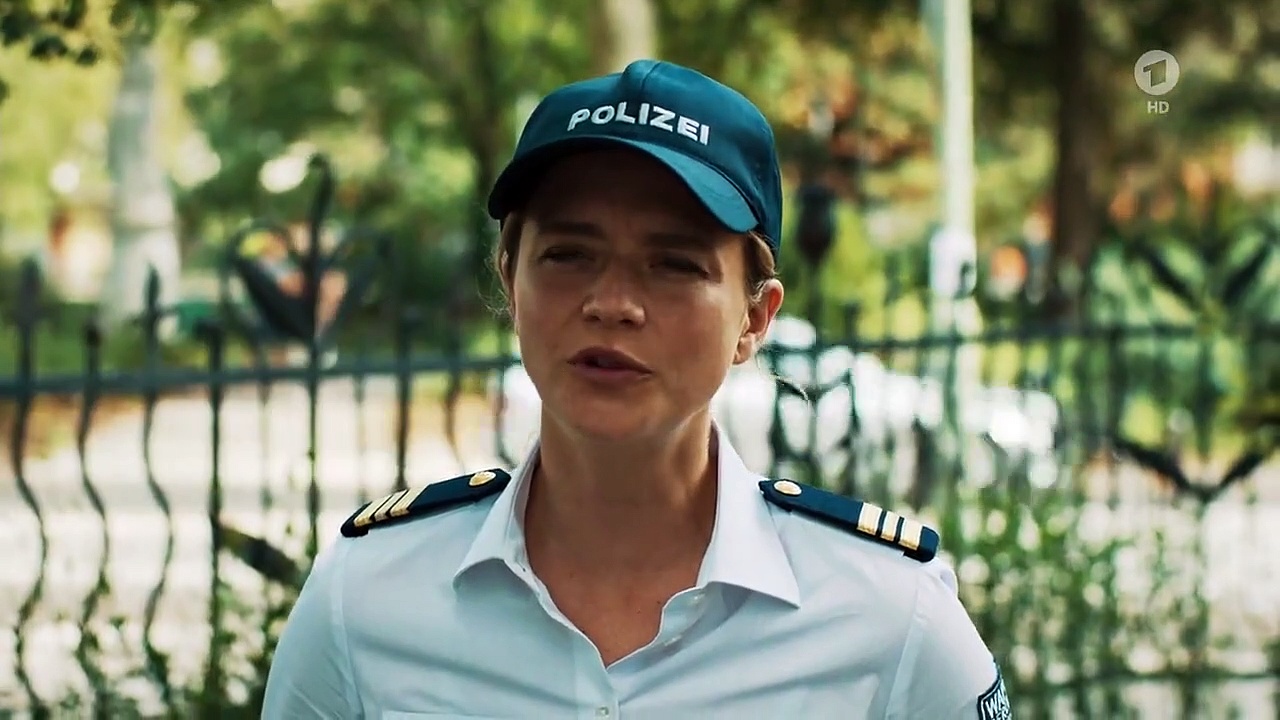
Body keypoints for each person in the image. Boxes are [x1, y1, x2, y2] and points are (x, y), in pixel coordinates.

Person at [262, 59, 1009, 719]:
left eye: (675, 264)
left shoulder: (888, 616)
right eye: (568, 254)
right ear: (511, 283)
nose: (612, 303)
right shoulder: (367, 598)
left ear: (754, 318)